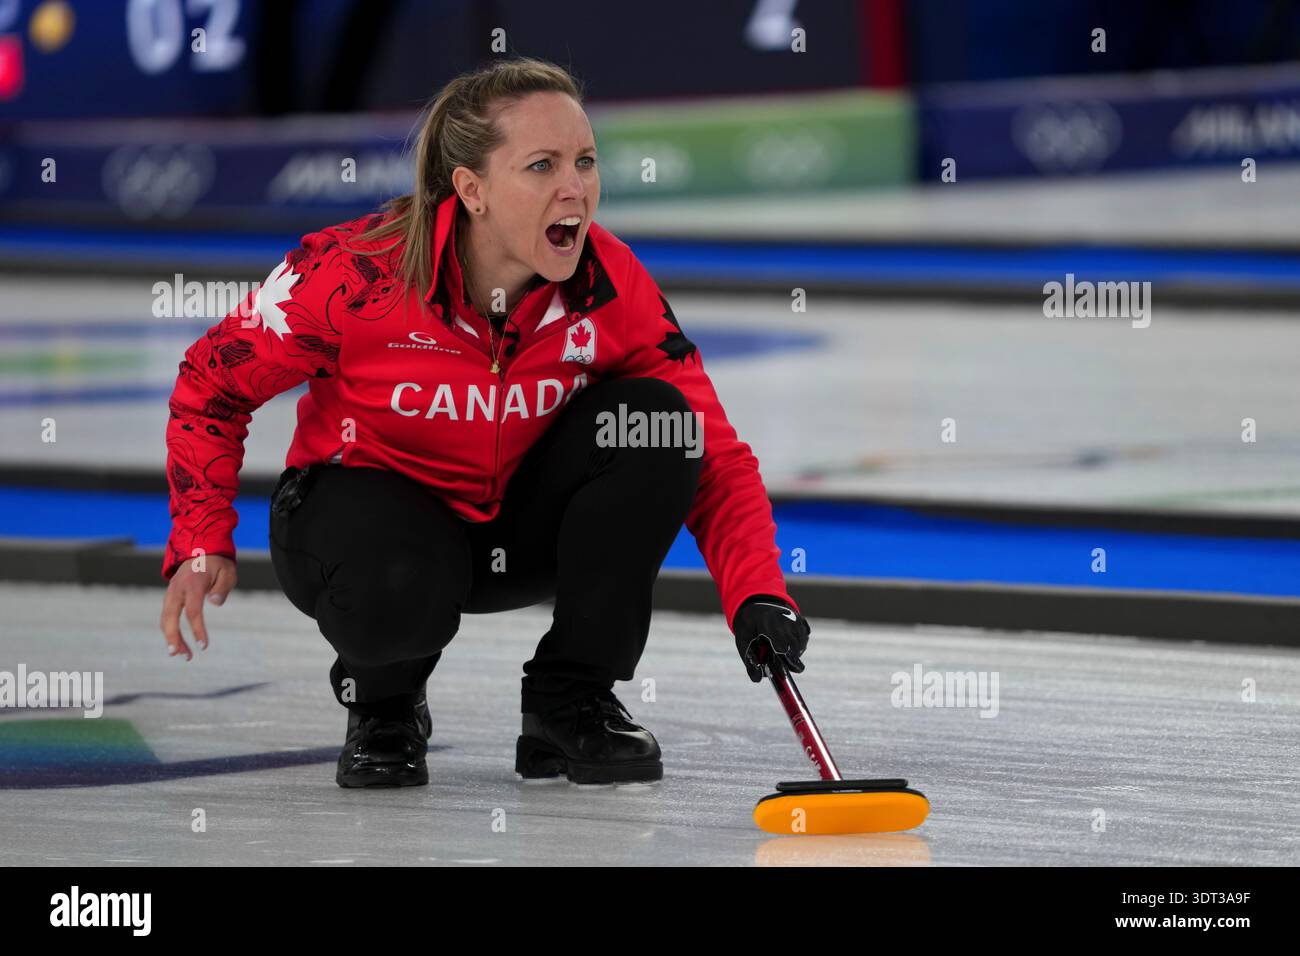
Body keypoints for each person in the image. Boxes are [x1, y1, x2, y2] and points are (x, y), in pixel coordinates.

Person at [157, 57, 811, 789]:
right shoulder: (352, 275)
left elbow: (713, 454)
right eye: (542, 166)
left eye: (586, 161)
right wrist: (199, 535)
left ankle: (571, 702)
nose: (577, 189)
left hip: (509, 530)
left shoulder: (609, 282)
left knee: (659, 422)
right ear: (471, 190)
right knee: (397, 583)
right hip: (365, 523)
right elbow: (210, 382)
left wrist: (757, 592)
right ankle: (384, 704)